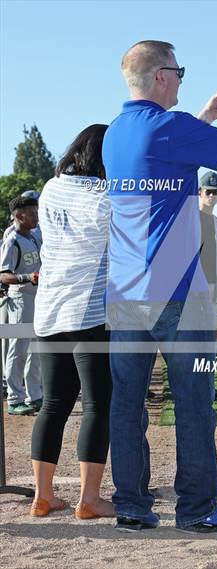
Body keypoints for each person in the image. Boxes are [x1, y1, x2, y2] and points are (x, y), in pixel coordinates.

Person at [102, 40, 217, 534]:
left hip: (126, 291)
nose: (182, 78)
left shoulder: (114, 133)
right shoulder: (171, 128)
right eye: (179, 71)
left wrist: (204, 117)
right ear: (162, 78)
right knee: (194, 403)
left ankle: (131, 504)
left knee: (127, 404)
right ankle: (196, 508)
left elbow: (164, 156)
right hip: (177, 290)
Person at [30, 124, 114, 520]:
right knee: (98, 404)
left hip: (49, 309)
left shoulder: (50, 188)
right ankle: (89, 499)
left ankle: (42, 496)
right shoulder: (107, 194)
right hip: (89, 310)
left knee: (54, 404)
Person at [0, 196, 42, 415]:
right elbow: (4, 276)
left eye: (36, 212)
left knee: (35, 348)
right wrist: (29, 277)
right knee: (18, 349)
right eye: (32, 213)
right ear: (18, 216)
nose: (36, 217)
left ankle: (34, 395)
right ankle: (15, 398)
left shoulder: (33, 237)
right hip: (20, 298)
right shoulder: (12, 240)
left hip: (36, 297)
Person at [198, 170, 217, 359]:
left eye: (215, 192)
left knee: (209, 334)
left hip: (215, 286)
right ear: (200, 191)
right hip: (194, 287)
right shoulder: (189, 218)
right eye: (208, 191)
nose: (212, 196)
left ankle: (207, 386)